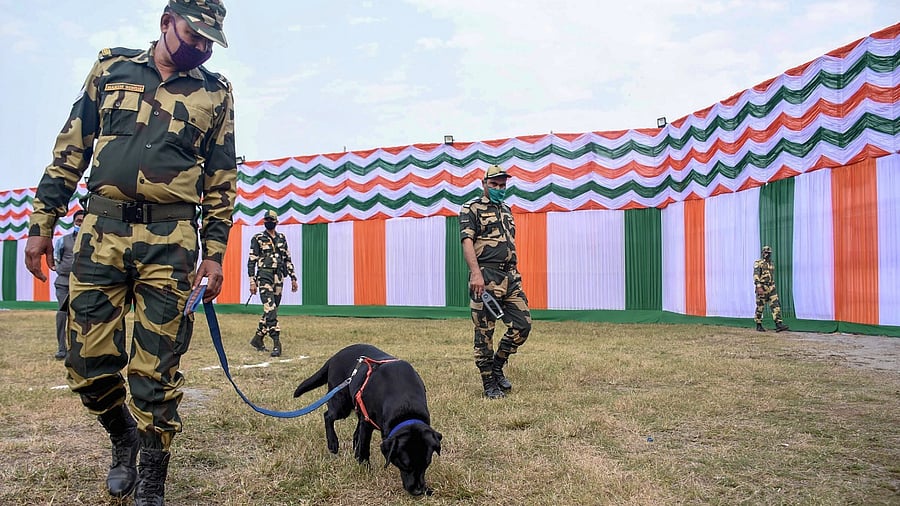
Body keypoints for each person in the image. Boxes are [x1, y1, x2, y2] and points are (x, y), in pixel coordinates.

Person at [23, 1, 234, 504]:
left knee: (156, 370)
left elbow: (221, 179)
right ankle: (123, 439)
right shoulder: (111, 68)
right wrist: (41, 223)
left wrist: (216, 251)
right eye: (193, 34)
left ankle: (151, 481)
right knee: (85, 362)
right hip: (101, 232)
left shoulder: (216, 92)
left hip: (173, 240)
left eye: (209, 40)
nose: (201, 46)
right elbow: (70, 150)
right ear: (166, 23)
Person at [459, 164, 532, 399]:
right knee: (484, 331)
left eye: (503, 185)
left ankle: (498, 365)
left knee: (523, 325)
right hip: (486, 277)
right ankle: (488, 381)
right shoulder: (471, 208)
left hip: (510, 276)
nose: (499, 188)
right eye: (495, 185)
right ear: (484, 184)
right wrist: (476, 274)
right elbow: (467, 241)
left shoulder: (507, 210)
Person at [247, 210, 298, 357]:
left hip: (279, 277)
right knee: (270, 308)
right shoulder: (257, 238)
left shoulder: (282, 238)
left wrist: (293, 278)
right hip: (264, 276)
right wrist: (252, 282)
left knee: (272, 309)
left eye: (271, 219)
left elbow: (287, 259)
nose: (268, 221)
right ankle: (276, 342)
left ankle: (258, 338)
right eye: (266, 219)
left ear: (276, 222)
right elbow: (251, 261)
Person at [50, 209, 85, 360]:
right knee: (62, 314)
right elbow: (57, 258)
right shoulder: (63, 241)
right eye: (78, 221)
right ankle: (61, 349)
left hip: (84, 284)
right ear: (74, 223)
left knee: (83, 317)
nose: (81, 224)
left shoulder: (96, 241)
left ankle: (80, 349)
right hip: (64, 283)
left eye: (84, 221)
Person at [754, 245, 789, 332]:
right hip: (762, 287)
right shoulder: (758, 263)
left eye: (768, 253)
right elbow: (756, 275)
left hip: (771, 288)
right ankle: (758, 324)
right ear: (762, 253)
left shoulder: (771, 263)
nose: (767, 254)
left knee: (775, 305)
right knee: (760, 307)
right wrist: (758, 286)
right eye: (765, 252)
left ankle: (778, 324)